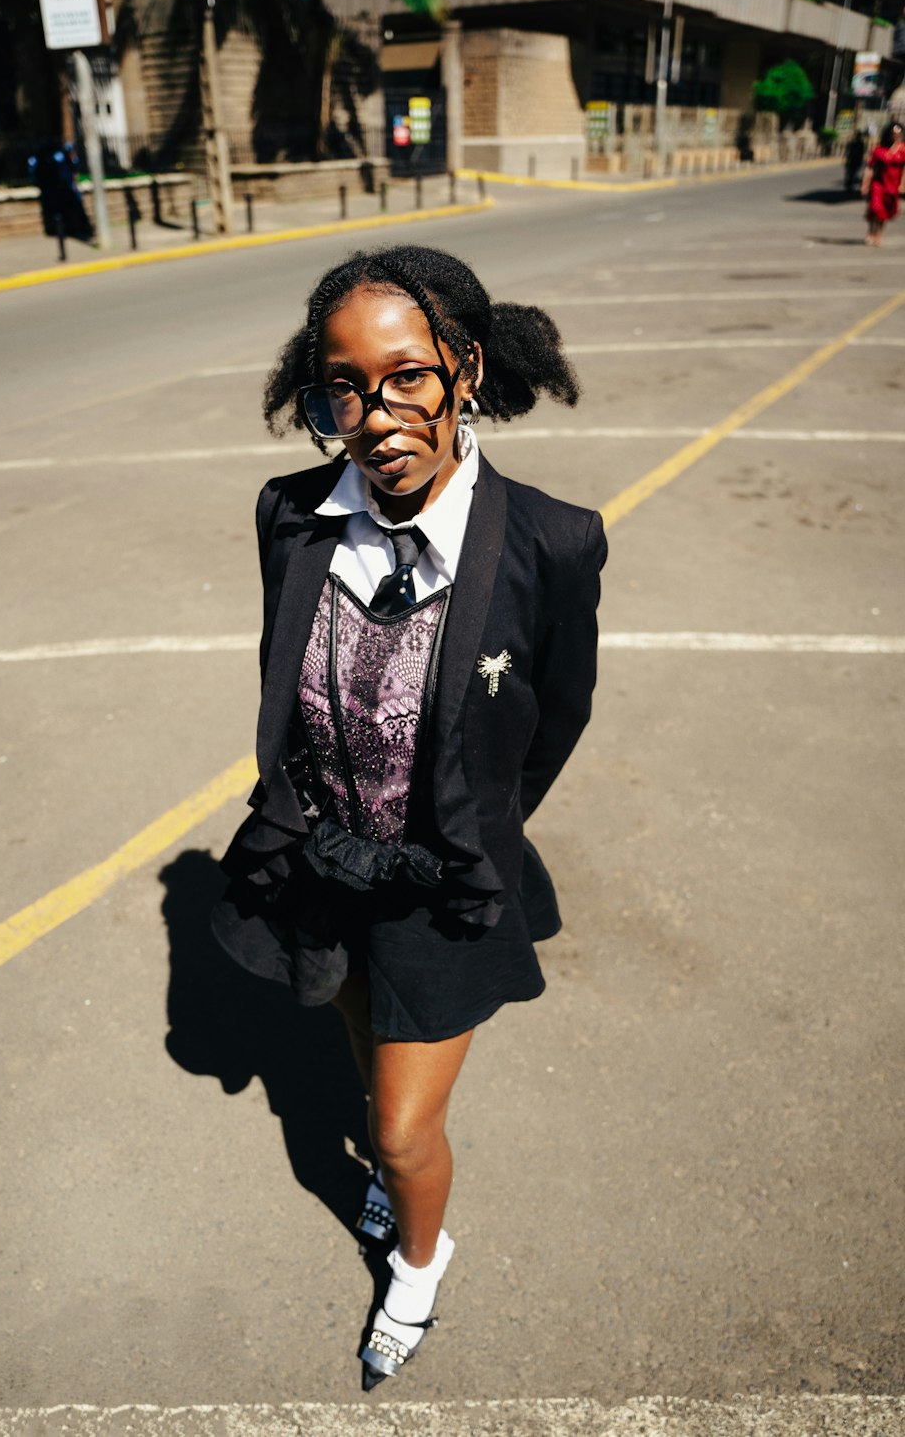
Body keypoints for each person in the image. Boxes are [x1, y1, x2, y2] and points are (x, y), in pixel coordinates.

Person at [211, 245, 607, 1387]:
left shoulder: (551, 539)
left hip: (441, 887)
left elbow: (558, 715)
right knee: (351, 1030)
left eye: (407, 377)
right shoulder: (291, 515)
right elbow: (287, 675)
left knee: (394, 1130)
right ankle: (398, 1171)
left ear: (463, 369)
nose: (376, 415)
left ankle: (420, 1266)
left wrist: (478, 820)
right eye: (345, 385)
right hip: (319, 859)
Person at [862, 119, 905, 245]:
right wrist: (865, 184)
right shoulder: (879, 150)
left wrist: (902, 184)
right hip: (879, 183)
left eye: (899, 134)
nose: (896, 136)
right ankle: (871, 231)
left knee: (885, 212)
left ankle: (879, 233)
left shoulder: (903, 150)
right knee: (875, 208)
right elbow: (870, 167)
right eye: (894, 133)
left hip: (893, 184)